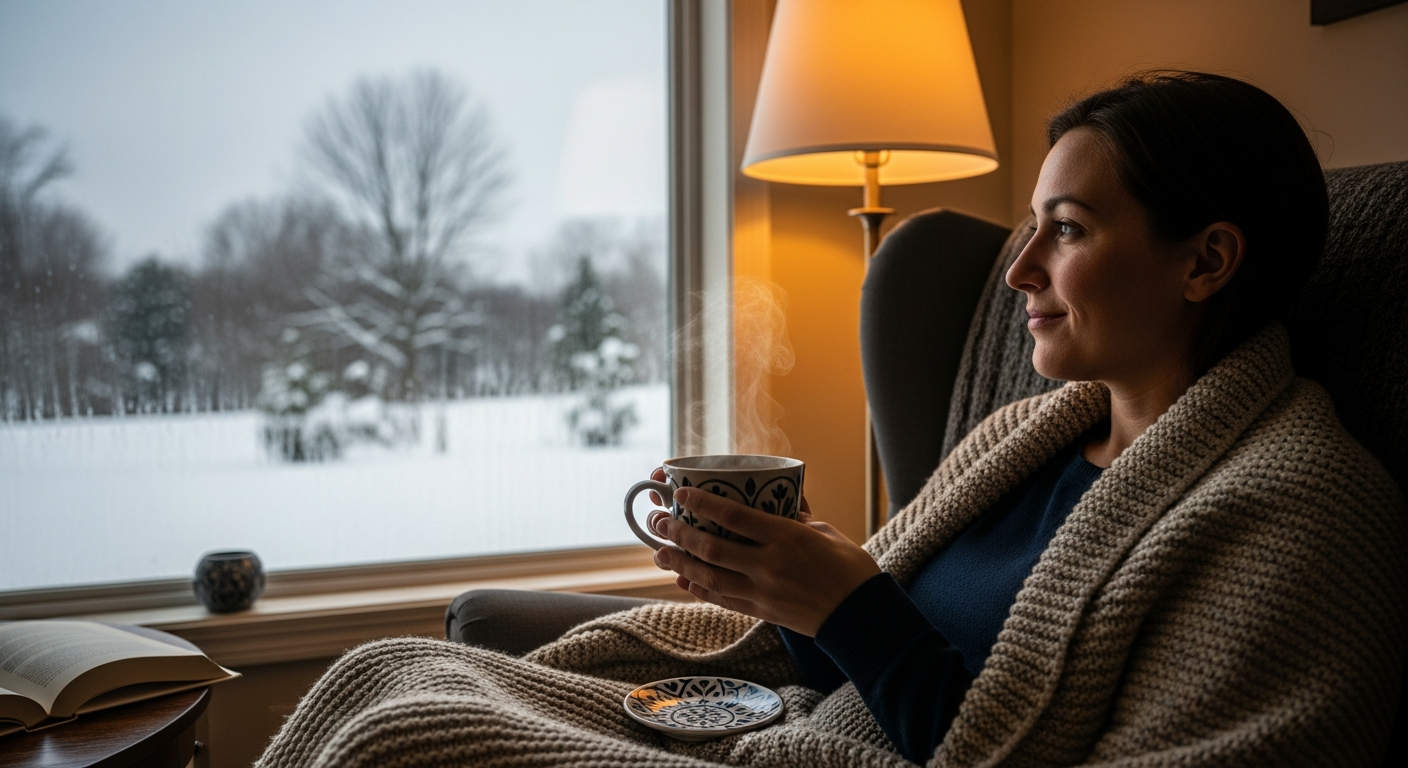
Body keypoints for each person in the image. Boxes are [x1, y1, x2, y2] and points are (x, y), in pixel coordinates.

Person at [258, 71, 1405, 768]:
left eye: (1066, 229)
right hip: (795, 727)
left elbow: (948, 708)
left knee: (396, 741)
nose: (1017, 276)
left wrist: (848, 605)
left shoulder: (1296, 513)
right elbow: (859, 658)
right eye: (1028, 229)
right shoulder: (1032, 434)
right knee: (386, 671)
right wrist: (789, 587)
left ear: (1205, 261)